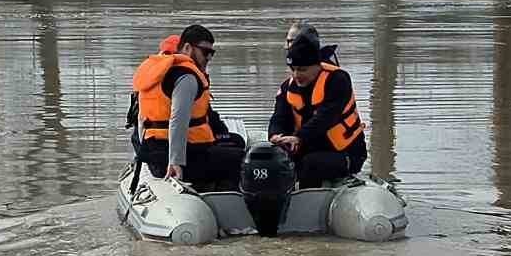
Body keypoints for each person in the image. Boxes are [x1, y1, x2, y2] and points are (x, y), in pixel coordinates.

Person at [128, 24, 244, 185]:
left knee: (234, 142)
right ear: (188, 48)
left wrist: (143, 154)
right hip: (176, 159)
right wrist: (175, 162)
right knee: (242, 159)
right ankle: (230, 197)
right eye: (206, 52)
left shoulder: (156, 72)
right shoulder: (187, 77)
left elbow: (141, 122)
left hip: (154, 153)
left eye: (212, 53)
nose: (209, 58)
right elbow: (178, 120)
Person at [268, 32, 368, 188]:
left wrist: (299, 137)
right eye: (293, 69)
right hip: (308, 148)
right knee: (271, 160)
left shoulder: (338, 80)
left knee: (310, 164)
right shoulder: (287, 87)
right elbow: (279, 117)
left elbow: (327, 117)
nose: (296, 75)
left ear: (317, 66)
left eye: (302, 69)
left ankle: (307, 199)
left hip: (345, 152)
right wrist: (276, 135)